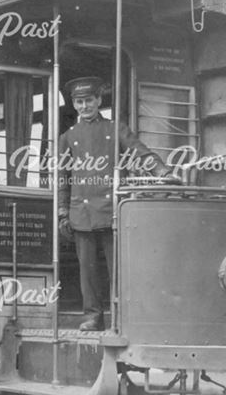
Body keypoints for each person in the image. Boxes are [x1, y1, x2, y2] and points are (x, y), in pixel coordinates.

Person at [57, 76, 173, 331]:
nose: (85, 106)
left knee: (117, 269)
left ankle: (121, 317)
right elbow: (63, 179)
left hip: (111, 210)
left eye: (89, 100)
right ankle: (93, 316)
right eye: (79, 102)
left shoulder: (114, 129)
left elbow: (139, 151)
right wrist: (63, 211)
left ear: (99, 100)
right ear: (74, 105)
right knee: (87, 270)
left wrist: (161, 170)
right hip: (81, 211)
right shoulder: (68, 137)